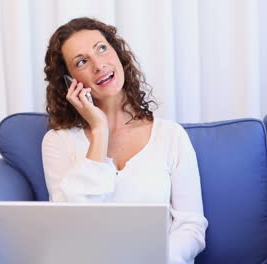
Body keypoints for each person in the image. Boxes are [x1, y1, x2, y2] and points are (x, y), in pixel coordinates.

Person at [41, 17, 208, 264]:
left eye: (101, 48)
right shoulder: (58, 142)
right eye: (82, 61)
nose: (98, 64)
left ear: (117, 53)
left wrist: (161, 259)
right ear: (69, 81)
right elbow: (71, 226)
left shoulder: (171, 136)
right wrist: (99, 130)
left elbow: (191, 226)